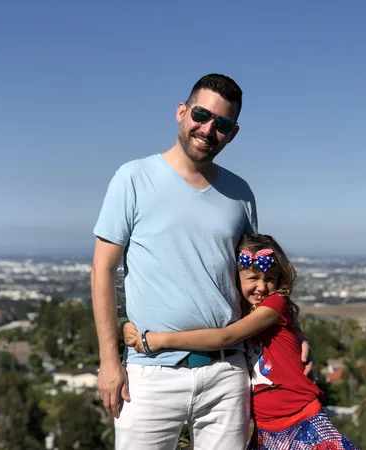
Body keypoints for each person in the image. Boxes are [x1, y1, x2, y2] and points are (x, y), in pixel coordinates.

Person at [92, 74, 311, 450]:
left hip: (228, 373)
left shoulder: (240, 193)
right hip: (150, 372)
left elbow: (255, 279)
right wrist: (109, 361)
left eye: (222, 124)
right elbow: (103, 270)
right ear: (182, 112)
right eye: (201, 115)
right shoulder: (133, 178)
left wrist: (295, 333)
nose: (208, 129)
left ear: (233, 134)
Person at [124, 234, 359, 450]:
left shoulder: (274, 304)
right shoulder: (239, 311)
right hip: (267, 427)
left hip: (301, 415)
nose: (262, 287)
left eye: (270, 279)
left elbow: (225, 337)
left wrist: (159, 339)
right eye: (253, 278)